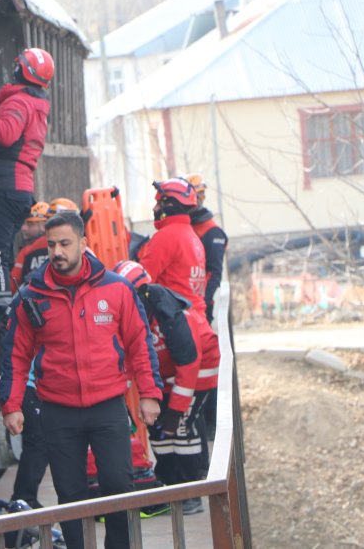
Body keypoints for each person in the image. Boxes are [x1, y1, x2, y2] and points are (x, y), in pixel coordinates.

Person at [0, 211, 162, 549]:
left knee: (119, 487)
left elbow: (139, 344)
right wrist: (12, 405)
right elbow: (15, 356)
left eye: (65, 244)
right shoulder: (31, 297)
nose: (57, 252)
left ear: (83, 244)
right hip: (58, 412)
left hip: (108, 407)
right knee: (71, 496)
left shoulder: (117, 290)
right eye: (51, 245)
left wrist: (150, 393)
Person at [135, 178, 216, 515]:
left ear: (167, 204)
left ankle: (187, 490)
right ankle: (179, 486)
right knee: (179, 423)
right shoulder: (191, 237)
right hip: (190, 327)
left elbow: (142, 279)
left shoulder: (167, 237)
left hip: (177, 331)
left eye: (157, 202)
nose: (154, 208)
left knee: (178, 423)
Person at [114, 260, 219, 515]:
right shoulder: (133, 317)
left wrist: (177, 409)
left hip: (198, 371)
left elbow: (189, 362)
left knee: (181, 426)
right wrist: (118, 398)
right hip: (168, 376)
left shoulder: (172, 315)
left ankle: (190, 492)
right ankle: (170, 483)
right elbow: (128, 361)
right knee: (158, 429)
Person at [0, 48, 54, 336]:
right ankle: (4, 313)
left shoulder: (20, 102)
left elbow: (4, 133)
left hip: (5, 189)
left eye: (18, 65)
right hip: (14, 189)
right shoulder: (34, 105)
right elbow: (5, 141)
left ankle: (1, 320)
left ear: (22, 71)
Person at [181, 174, 228, 325]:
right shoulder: (185, 228)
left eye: (200, 194)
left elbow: (214, 273)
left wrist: (203, 303)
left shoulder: (211, 232)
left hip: (200, 306)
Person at [10, 198, 77, 290]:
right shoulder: (79, 247)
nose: (24, 228)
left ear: (44, 224)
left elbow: (13, 286)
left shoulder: (27, 251)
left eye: (30, 224)